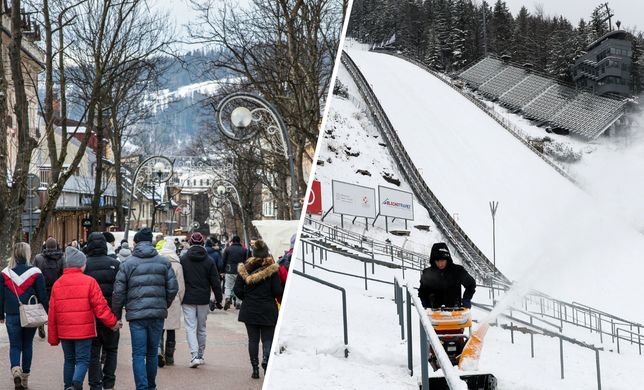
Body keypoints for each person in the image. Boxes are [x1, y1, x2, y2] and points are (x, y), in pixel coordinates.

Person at [112, 228, 178, 390]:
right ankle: (151, 386)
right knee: (152, 352)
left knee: (138, 354)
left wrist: (117, 314)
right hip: (157, 314)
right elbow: (172, 288)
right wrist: (163, 304)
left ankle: (142, 387)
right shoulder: (164, 262)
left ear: (136, 243)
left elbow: (118, 292)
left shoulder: (128, 264)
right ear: (152, 242)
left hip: (136, 315)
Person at [48, 246, 119, 390]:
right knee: (82, 360)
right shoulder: (90, 281)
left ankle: (68, 386)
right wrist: (112, 322)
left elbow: (52, 313)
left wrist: (53, 336)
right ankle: (76, 384)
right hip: (84, 330)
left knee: (69, 360)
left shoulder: (58, 283)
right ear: (81, 264)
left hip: (64, 330)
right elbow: (100, 307)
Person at [0, 242, 49, 390]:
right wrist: (47, 313)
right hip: (30, 314)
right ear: (27, 254)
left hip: (12, 313)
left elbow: (0, 296)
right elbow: (43, 295)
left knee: (15, 345)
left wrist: (0, 314)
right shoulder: (35, 272)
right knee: (27, 345)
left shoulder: (4, 273)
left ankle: (16, 369)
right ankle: (25, 377)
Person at [233, 240, 282, 379]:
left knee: (253, 340)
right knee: (267, 339)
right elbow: (277, 290)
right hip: (268, 309)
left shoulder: (245, 268)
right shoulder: (272, 269)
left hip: (250, 308)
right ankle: (266, 359)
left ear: (253, 253)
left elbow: (237, 289)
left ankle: (255, 368)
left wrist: (247, 297)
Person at [84, 232, 121, 390]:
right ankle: (109, 383)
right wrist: (117, 314)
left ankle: (95, 383)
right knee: (111, 349)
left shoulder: (84, 265)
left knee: (93, 352)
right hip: (111, 314)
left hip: (91, 316)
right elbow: (119, 291)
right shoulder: (115, 264)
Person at [180, 232, 223, 368]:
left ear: (190, 243)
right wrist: (219, 299)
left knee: (190, 327)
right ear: (203, 243)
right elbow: (215, 282)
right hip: (203, 298)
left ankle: (194, 355)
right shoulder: (209, 260)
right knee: (202, 328)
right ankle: (200, 354)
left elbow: (180, 280)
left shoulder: (184, 259)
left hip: (188, 298)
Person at [417, 243, 476, 309]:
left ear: (447, 259)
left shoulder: (458, 271)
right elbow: (422, 292)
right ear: (433, 260)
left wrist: (466, 299)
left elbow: (471, 284)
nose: (440, 264)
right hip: (433, 314)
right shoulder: (428, 273)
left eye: (442, 260)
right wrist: (426, 305)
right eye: (437, 261)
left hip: (455, 312)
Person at [158, 239, 185, 367]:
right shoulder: (178, 265)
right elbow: (181, 286)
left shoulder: (158, 262)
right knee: (171, 330)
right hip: (173, 300)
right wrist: (180, 299)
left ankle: (159, 351)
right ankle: (170, 358)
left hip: (159, 299)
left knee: (159, 329)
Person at [33, 237, 64, 339]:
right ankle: (57, 327)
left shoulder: (38, 258)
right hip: (57, 287)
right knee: (57, 308)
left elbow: (34, 272)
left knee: (41, 306)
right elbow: (64, 273)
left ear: (45, 246)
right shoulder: (62, 258)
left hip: (41, 286)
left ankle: (41, 322)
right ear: (56, 246)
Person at [222, 235, 249, 310]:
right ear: (239, 241)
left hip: (229, 270)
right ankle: (238, 303)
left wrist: (222, 271)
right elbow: (246, 262)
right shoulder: (244, 250)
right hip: (240, 271)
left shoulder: (228, 249)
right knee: (239, 287)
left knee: (228, 286)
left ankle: (227, 298)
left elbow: (224, 261)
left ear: (232, 241)